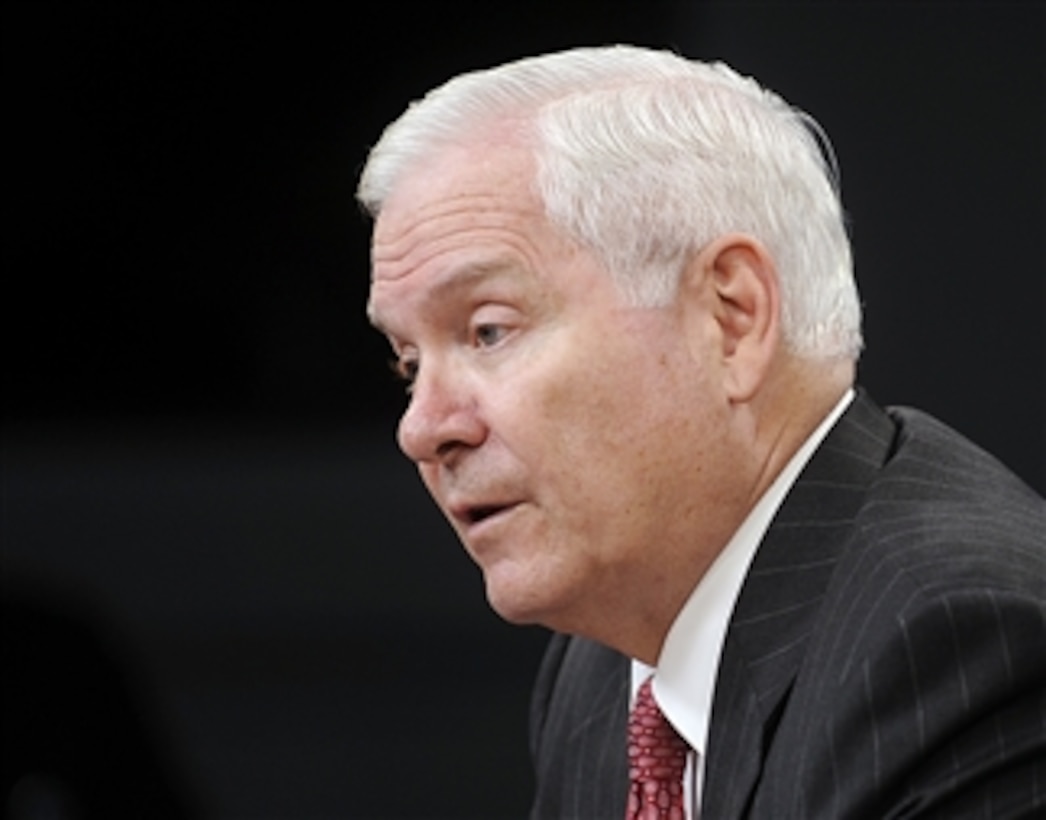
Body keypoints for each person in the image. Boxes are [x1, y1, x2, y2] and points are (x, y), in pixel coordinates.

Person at [357, 45, 1045, 819]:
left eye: (487, 331)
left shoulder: (958, 647)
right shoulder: (597, 672)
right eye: (409, 365)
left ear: (730, 318)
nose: (423, 429)